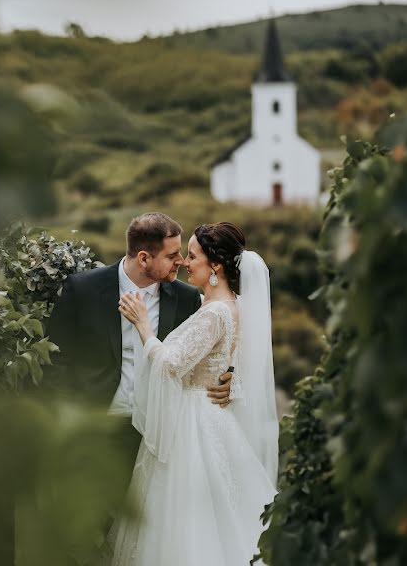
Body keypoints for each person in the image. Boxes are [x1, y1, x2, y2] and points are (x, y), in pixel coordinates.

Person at [111, 222, 279, 566]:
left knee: (182, 522)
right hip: (213, 418)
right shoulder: (232, 305)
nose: (187, 263)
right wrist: (233, 382)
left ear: (215, 266)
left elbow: (171, 363)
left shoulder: (215, 313)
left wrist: (144, 326)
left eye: (192, 256)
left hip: (190, 426)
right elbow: (243, 363)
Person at [46, 213, 234, 496]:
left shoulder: (187, 299)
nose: (181, 261)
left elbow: (212, 345)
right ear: (144, 258)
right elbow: (55, 359)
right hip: (96, 428)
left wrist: (230, 377)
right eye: (172, 255)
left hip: (158, 437)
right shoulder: (83, 288)